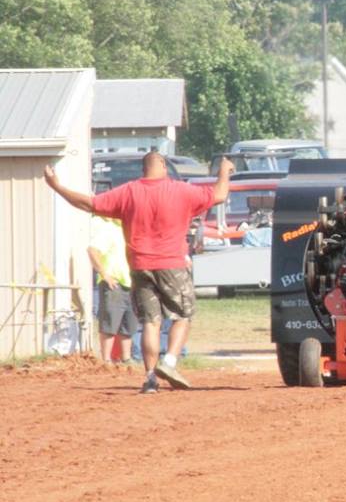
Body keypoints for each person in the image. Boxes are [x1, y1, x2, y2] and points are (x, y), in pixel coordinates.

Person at [44, 152, 233, 393]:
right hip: (171, 264)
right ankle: (170, 362)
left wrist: (56, 186)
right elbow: (219, 194)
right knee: (183, 315)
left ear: (143, 169)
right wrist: (224, 171)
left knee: (150, 323)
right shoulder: (180, 190)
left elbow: (88, 203)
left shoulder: (128, 192)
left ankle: (150, 378)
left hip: (140, 266)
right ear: (163, 165)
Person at [88, 215, 138, 363]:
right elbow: (92, 251)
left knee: (129, 324)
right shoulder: (109, 229)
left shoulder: (130, 231)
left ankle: (126, 358)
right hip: (113, 284)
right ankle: (106, 360)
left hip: (132, 283)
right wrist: (104, 274)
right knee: (109, 323)